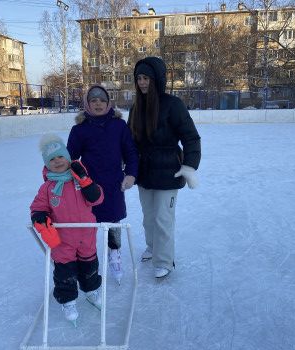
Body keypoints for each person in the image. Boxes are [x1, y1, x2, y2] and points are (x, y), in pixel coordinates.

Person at [128, 56, 201, 279]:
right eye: (139, 78)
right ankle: (152, 248)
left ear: (157, 79)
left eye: (146, 78)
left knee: (163, 218)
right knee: (148, 217)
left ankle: (164, 260)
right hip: (144, 172)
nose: (142, 82)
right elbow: (130, 141)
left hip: (169, 171)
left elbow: (191, 137)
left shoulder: (173, 105)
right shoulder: (136, 108)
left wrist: (189, 166)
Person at [67, 85, 138, 284]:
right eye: (93, 100)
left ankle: (114, 255)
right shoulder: (79, 129)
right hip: (88, 187)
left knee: (113, 222)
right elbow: (70, 158)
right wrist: (73, 178)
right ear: (87, 104)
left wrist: (131, 174)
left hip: (114, 184)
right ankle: (88, 261)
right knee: (88, 225)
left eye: (102, 100)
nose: (98, 103)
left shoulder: (119, 126)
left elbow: (130, 152)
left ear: (108, 103)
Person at [30, 134, 104, 324]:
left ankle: (91, 290)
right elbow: (37, 208)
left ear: (68, 157)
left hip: (86, 235)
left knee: (90, 267)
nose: (57, 161)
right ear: (47, 164)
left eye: (60, 156)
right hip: (62, 241)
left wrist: (86, 181)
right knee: (65, 273)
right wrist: (39, 217)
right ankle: (68, 301)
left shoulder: (81, 179)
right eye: (52, 159)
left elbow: (97, 199)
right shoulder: (47, 188)